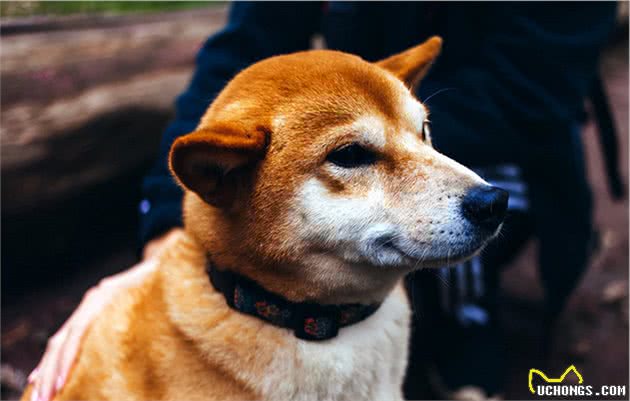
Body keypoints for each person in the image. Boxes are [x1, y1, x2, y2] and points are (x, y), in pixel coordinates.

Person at [28, 2, 617, 400]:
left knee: (467, 224)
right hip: (367, 118)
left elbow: (529, 96)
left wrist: (381, 119)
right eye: (355, 156)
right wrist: (162, 235)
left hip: (512, 141)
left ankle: (467, 321)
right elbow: (239, 55)